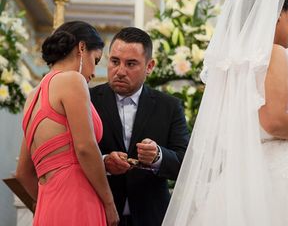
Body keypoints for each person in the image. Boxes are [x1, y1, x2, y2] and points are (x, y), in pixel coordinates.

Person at [163, 0, 288, 225]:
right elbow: (274, 121)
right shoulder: (273, 53)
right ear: (277, 13)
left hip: (245, 172)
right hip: (278, 173)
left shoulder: (236, 64)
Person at [16, 21, 119, 226]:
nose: (92, 73)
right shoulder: (73, 80)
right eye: (95, 60)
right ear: (82, 48)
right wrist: (109, 203)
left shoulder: (33, 96)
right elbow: (85, 148)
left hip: (48, 205)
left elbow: (23, 173)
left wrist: (51, 203)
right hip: (78, 198)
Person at [90, 27, 190, 226]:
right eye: (115, 61)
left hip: (152, 217)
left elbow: (186, 164)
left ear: (149, 66)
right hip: (99, 215)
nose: (120, 71)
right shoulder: (88, 100)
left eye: (131, 64)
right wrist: (103, 161)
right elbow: (73, 156)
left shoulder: (169, 106)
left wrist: (158, 156)